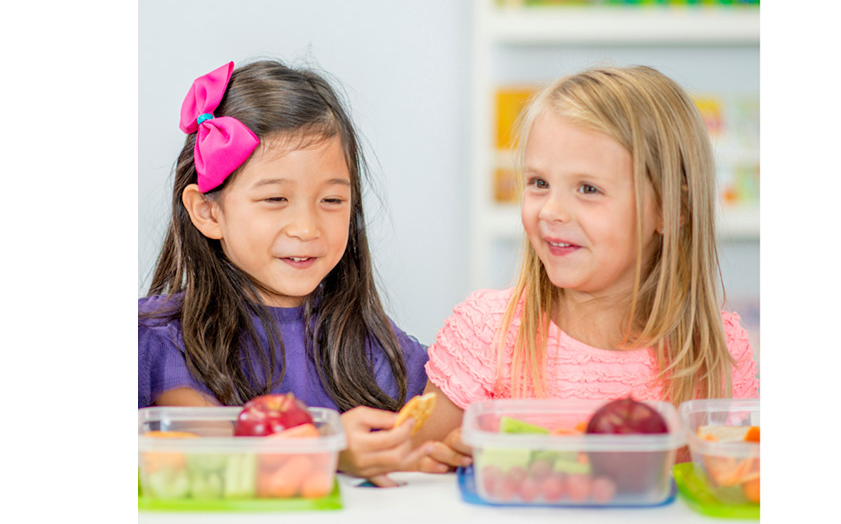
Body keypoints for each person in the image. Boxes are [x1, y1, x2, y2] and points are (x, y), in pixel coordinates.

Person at [415, 65, 760, 471]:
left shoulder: (715, 350)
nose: (552, 210)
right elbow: (417, 472)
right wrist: (454, 459)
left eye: (588, 189)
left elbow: (737, 483)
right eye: (539, 182)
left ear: (671, 209)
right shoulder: (487, 330)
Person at [139, 60, 437, 485]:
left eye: (332, 201)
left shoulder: (374, 346)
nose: (306, 228)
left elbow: (441, 431)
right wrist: (328, 448)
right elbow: (208, 448)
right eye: (276, 198)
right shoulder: (160, 341)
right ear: (208, 212)